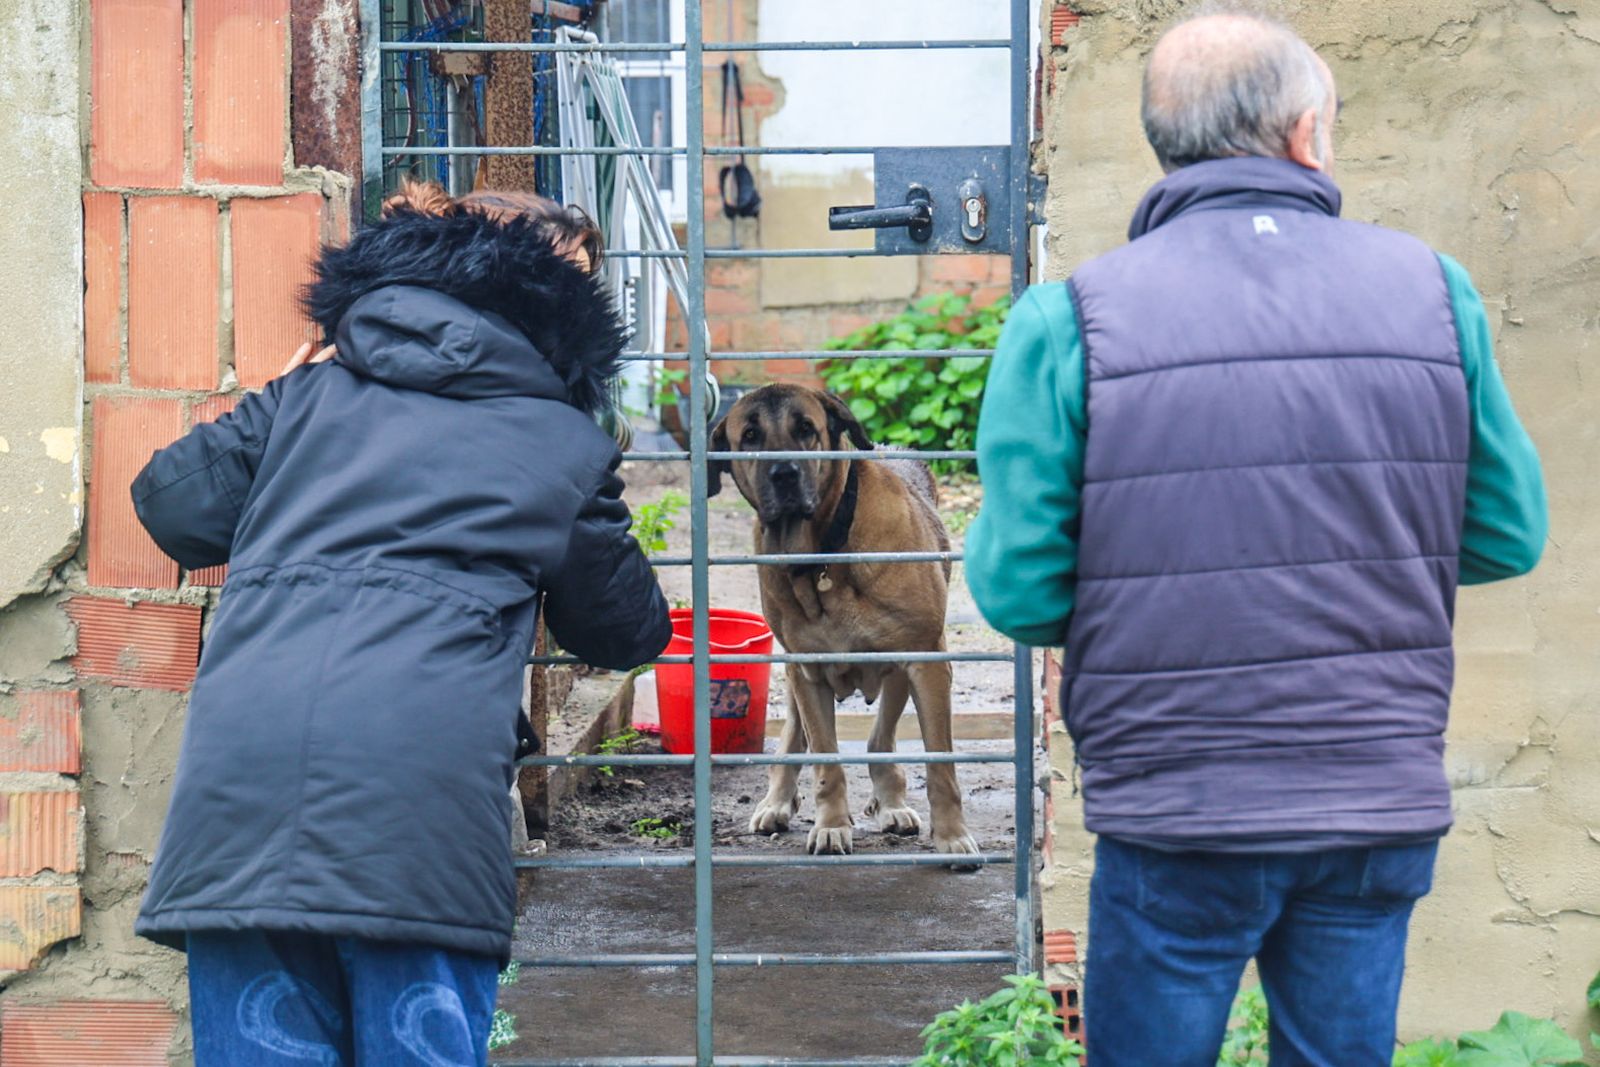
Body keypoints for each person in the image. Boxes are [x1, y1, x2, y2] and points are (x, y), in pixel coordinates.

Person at [966, 11, 1547, 1067]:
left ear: (1165, 142)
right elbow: (1506, 533)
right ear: (1303, 131)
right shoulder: (1434, 290)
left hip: (1175, 797)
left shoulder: (1068, 319)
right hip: (1370, 790)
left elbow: (1016, 589)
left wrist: (1152, 591)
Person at [132, 181, 672, 1066]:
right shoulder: (560, 441)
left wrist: (281, 388)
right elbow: (627, 632)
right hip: (419, 816)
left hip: (243, 798)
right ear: (558, 306)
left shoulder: (307, 394)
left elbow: (171, 510)